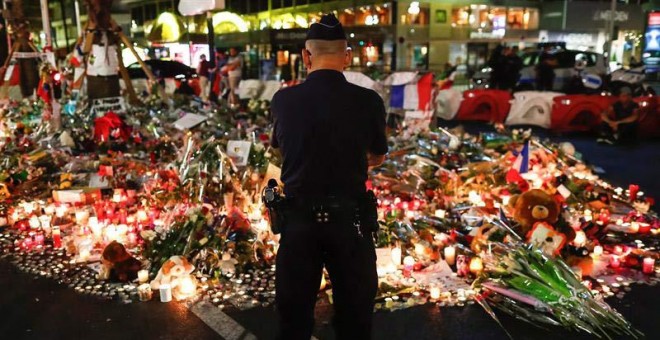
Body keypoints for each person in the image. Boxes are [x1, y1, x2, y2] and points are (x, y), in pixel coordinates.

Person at [270, 13, 387, 340]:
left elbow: (282, 151)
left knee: (293, 318)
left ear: (306, 56)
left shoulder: (283, 100)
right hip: (351, 222)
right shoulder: (369, 101)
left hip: (298, 222)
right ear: (347, 56)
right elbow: (376, 156)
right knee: (355, 317)